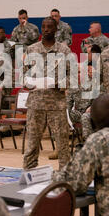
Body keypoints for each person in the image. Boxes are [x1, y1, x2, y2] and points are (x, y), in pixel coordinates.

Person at [23, 17, 72, 170]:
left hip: (56, 104)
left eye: (50, 27)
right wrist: (27, 83)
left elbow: (73, 77)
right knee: (32, 142)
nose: (46, 29)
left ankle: (65, 175)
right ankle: (29, 172)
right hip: (35, 103)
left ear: (56, 29)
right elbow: (23, 74)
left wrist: (60, 84)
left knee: (62, 143)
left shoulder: (64, 51)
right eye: (43, 27)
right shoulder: (31, 50)